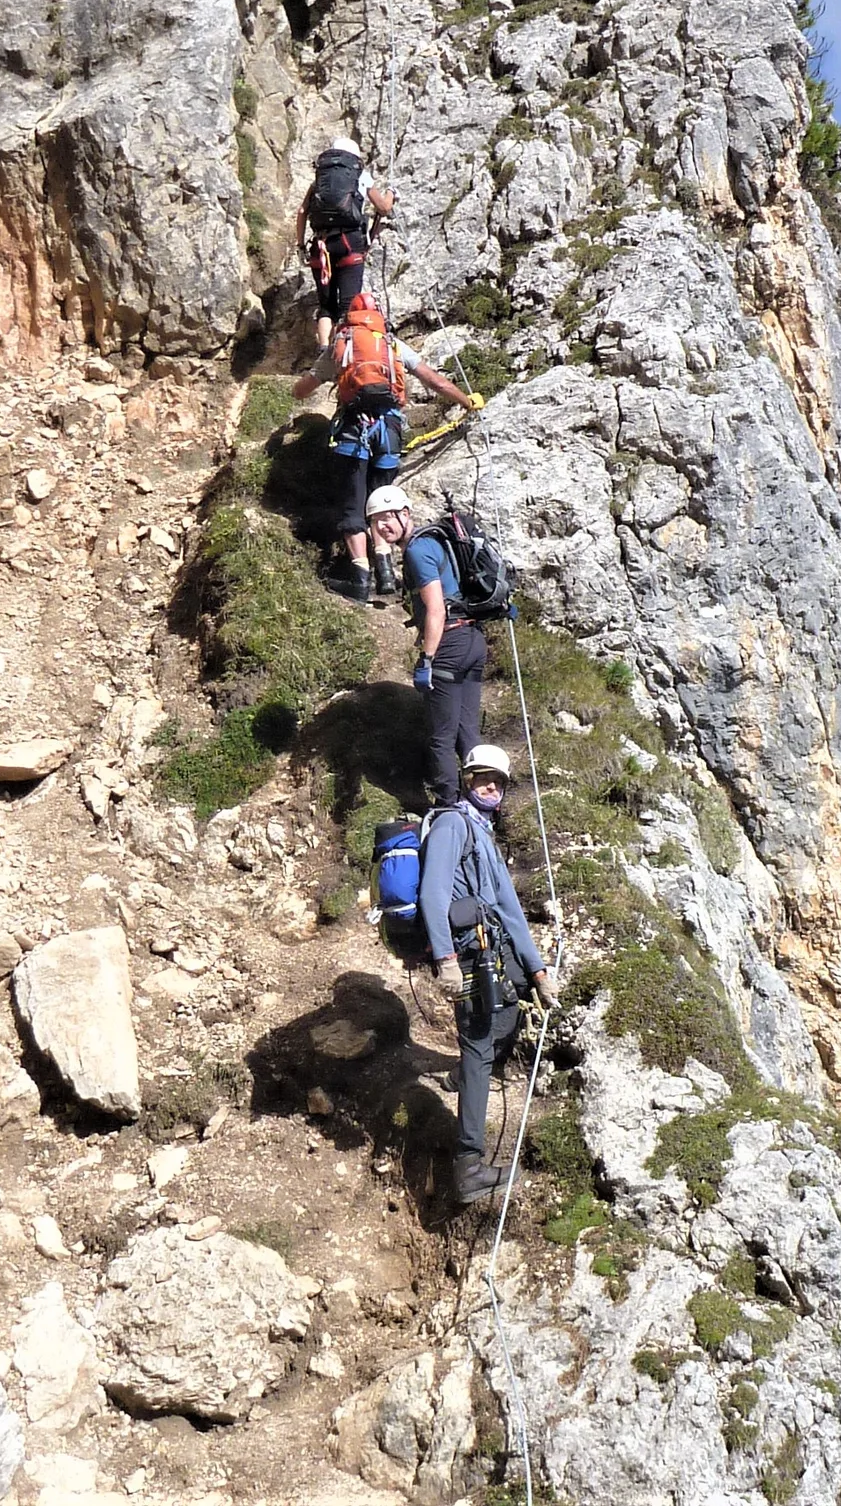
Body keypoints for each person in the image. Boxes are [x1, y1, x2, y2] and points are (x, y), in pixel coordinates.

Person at [416, 743, 558, 1202]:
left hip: (490, 948)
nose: (491, 787)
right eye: (483, 779)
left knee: (510, 1011)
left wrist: (536, 972)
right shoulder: (453, 825)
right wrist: (445, 960)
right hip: (466, 956)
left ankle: (463, 1076)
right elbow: (432, 897)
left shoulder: (482, 831)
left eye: (498, 781)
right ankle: (468, 1165)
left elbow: (509, 908)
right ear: (467, 781)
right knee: (478, 1045)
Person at [293, 297, 477, 605]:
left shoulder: (343, 343)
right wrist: (467, 401)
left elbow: (303, 389)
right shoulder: (392, 345)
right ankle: (386, 571)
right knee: (381, 501)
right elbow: (435, 381)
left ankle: (360, 579)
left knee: (354, 504)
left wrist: (294, 390)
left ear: (350, 318)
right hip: (389, 432)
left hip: (354, 429)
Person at [364, 489, 485, 803]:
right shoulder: (437, 541)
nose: (381, 528)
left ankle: (449, 804)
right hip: (473, 640)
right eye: (376, 523)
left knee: (441, 738)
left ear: (405, 513)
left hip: (450, 644)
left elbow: (436, 609)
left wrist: (427, 659)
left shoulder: (418, 552)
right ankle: (486, 802)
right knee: (467, 732)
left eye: (386, 518)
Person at [295, 138, 395, 350]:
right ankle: (343, 354)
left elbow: (302, 211)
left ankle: (324, 350)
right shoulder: (360, 176)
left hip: (320, 246)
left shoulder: (320, 179)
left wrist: (300, 245)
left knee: (326, 306)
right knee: (348, 305)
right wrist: (391, 194)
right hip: (349, 242)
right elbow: (383, 208)